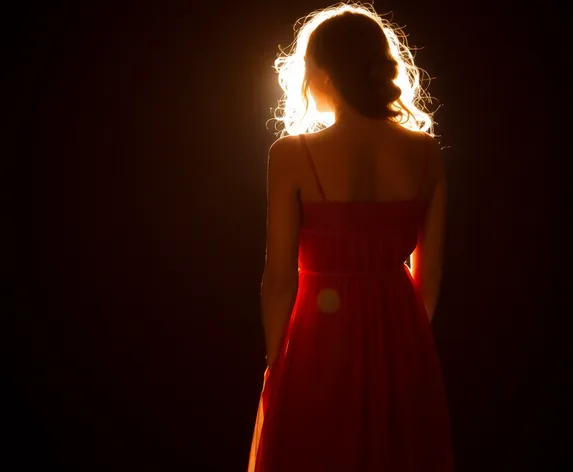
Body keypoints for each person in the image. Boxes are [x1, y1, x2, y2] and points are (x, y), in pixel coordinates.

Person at [248, 3, 454, 471]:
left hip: (318, 338)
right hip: (402, 334)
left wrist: (279, 364)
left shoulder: (291, 155)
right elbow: (432, 271)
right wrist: (401, 345)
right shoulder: (426, 153)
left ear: (323, 72)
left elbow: (278, 279)